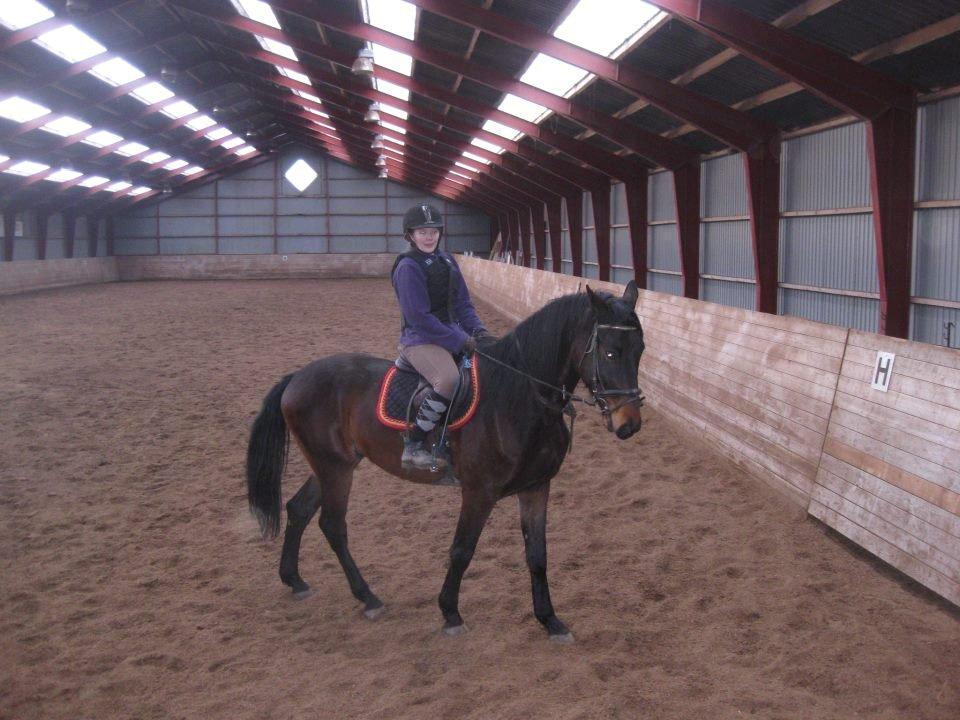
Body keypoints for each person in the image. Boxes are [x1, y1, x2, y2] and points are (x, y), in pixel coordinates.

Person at [391, 203, 488, 470]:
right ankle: (414, 443)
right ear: (410, 235)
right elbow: (419, 317)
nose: (429, 236)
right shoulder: (408, 267)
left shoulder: (447, 260)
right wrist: (459, 340)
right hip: (420, 340)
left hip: (451, 331)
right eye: (422, 231)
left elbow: (463, 305)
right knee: (449, 379)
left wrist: (480, 331)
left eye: (433, 230)